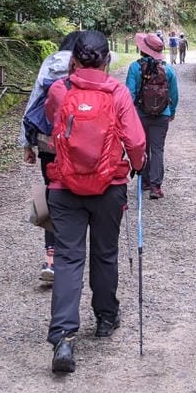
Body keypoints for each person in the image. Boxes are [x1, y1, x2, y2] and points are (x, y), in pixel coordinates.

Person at [43, 31, 146, 374]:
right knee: (105, 254)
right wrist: (138, 165)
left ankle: (63, 337)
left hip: (64, 186)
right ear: (106, 60)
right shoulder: (117, 92)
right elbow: (135, 139)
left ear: (74, 59)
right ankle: (105, 317)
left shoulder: (60, 90)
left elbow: (50, 124)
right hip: (109, 185)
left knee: (69, 258)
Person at [20, 31, 82, 285]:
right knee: (79, 193)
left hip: (48, 141)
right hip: (77, 141)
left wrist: (27, 143)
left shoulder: (50, 62)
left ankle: (52, 258)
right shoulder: (86, 62)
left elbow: (35, 99)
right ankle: (73, 256)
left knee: (51, 192)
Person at [126, 32, 179, 200]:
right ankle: (156, 187)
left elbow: (129, 93)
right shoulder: (168, 69)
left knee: (144, 148)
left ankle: (146, 181)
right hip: (162, 114)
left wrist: (129, 115)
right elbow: (174, 94)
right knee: (157, 149)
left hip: (141, 115)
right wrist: (172, 111)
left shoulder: (135, 68)